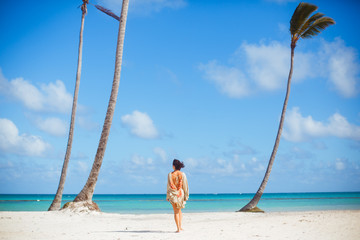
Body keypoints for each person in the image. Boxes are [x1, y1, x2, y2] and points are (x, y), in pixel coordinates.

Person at [166, 159, 189, 233]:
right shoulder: (182, 174)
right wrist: (186, 195)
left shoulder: (170, 174)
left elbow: (168, 186)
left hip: (172, 194)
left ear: (173, 166)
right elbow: (185, 185)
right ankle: (180, 227)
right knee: (179, 210)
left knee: (176, 211)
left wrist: (167, 196)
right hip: (180, 194)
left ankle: (178, 228)